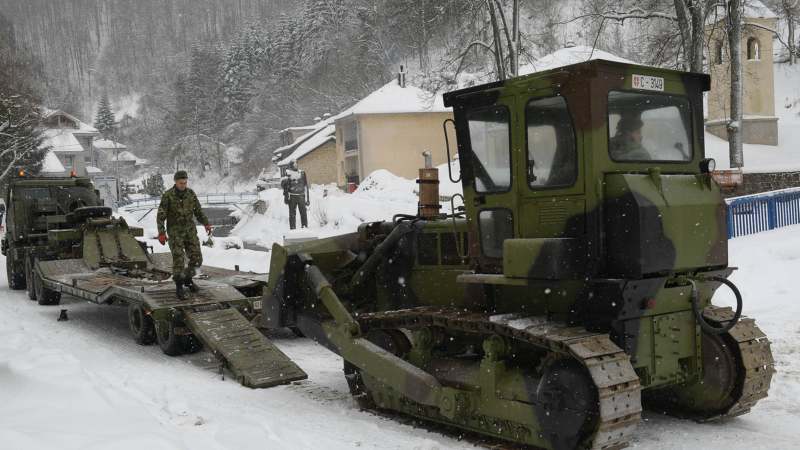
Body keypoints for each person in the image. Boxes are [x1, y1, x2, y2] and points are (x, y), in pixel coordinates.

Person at [156, 170, 212, 300]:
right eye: (181, 183)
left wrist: (206, 224)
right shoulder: (168, 196)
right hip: (175, 233)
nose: (183, 185)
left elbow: (198, 211)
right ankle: (179, 286)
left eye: (185, 183)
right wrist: (161, 233)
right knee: (179, 260)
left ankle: (187, 279)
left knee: (197, 259)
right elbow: (161, 216)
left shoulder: (191, 194)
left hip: (190, 232)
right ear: (175, 182)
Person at [283, 160, 310, 229]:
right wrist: (286, 197)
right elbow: (285, 187)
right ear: (291, 165)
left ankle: (304, 228)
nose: (295, 165)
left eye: (296, 164)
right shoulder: (287, 173)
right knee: (292, 215)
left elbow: (306, 186)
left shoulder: (302, 173)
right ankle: (292, 229)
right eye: (293, 164)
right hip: (292, 197)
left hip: (301, 196)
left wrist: (307, 199)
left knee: (303, 213)